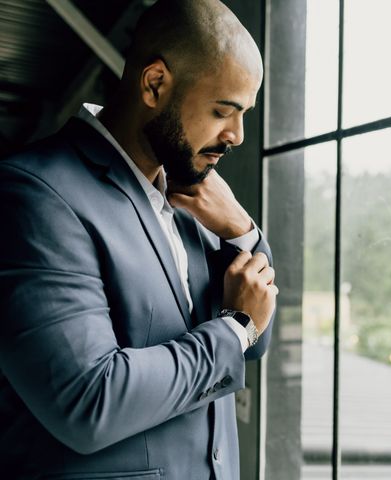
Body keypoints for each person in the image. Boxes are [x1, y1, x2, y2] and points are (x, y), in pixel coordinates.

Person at [0, 0, 276, 478]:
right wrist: (233, 326)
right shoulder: (33, 195)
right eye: (223, 111)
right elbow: (88, 403)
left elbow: (255, 339)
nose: (237, 135)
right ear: (154, 84)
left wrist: (242, 231)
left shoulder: (196, 197)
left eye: (244, 114)